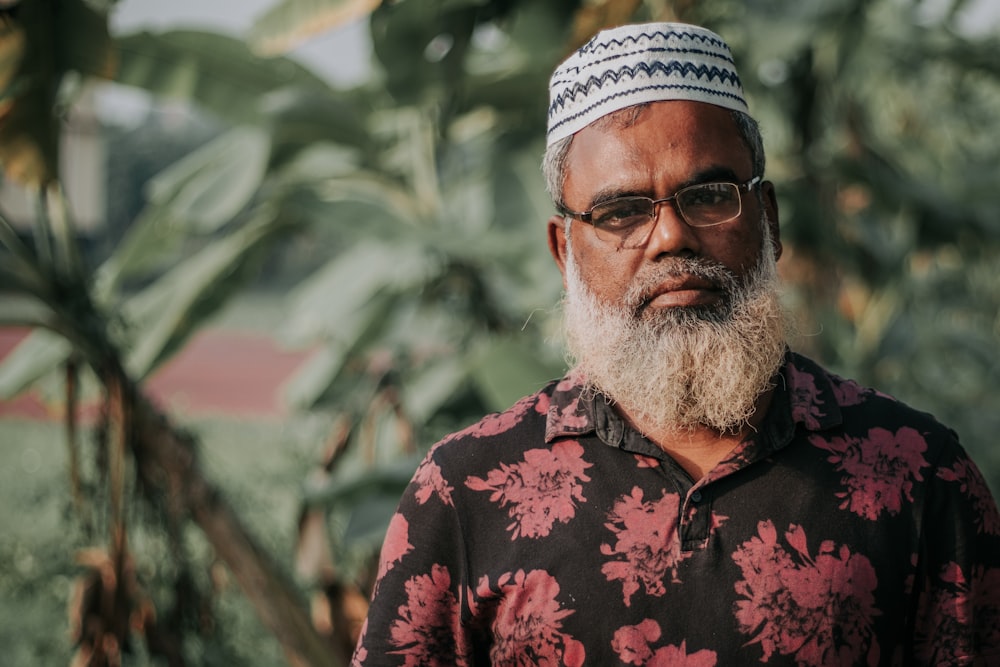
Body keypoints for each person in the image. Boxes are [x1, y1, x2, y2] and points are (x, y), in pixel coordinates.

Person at [351, 22, 1000, 666]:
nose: (670, 238)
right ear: (564, 249)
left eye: (709, 195)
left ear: (768, 220)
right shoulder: (465, 492)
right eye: (621, 211)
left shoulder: (918, 476)